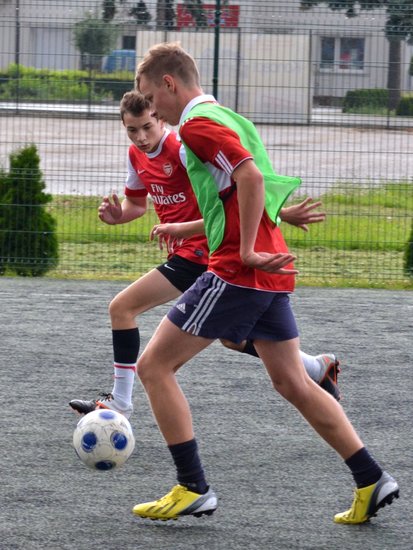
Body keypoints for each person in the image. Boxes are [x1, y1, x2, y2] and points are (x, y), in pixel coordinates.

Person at [130, 42, 399, 524]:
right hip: (268, 273)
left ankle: (192, 488)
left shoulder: (195, 126)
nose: (152, 110)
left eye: (151, 98)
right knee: (292, 381)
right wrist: (246, 223)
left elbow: (251, 179)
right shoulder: (231, 117)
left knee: (153, 367)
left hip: (238, 270)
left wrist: (249, 250)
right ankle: (371, 478)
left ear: (169, 84)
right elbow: (245, 190)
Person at [69, 91, 341, 419]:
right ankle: (317, 367)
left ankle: (120, 403)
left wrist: (279, 213)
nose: (140, 137)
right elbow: (137, 205)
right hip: (197, 256)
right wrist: (118, 215)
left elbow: (236, 190)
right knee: (232, 338)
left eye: (147, 127)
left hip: (201, 253)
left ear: (160, 119)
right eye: (132, 130)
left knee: (122, 308)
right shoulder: (135, 155)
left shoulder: (182, 150)